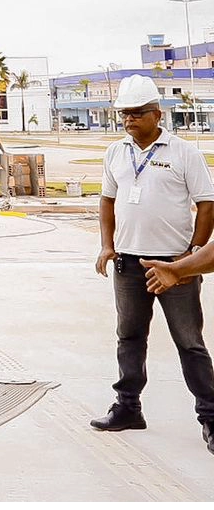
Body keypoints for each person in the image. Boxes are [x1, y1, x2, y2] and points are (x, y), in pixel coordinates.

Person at [91, 74, 214, 453]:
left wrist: (192, 254)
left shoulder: (183, 152)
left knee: (189, 343)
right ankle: (128, 408)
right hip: (128, 264)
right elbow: (108, 201)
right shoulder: (115, 152)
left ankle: (211, 417)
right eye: (125, 114)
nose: (129, 120)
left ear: (157, 114)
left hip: (175, 267)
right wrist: (106, 245)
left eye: (137, 113)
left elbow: (207, 203)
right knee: (129, 338)